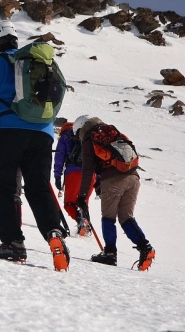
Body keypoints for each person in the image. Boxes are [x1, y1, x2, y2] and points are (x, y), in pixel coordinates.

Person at [0, 20, 70, 270]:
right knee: (38, 188)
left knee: (3, 187)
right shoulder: (42, 63)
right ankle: (54, 233)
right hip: (43, 134)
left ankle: (13, 243)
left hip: (7, 132)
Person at [73, 115, 156, 271]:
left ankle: (110, 253)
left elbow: (87, 171)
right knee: (126, 217)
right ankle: (146, 248)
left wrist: (82, 196)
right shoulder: (114, 133)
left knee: (108, 217)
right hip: (133, 178)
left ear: (81, 128)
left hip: (113, 180)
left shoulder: (89, 139)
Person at [54, 121, 97, 236]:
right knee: (83, 202)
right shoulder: (88, 137)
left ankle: (81, 222)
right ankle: (85, 226)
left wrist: (57, 175)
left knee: (69, 203)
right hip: (91, 174)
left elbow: (59, 157)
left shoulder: (65, 137)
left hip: (73, 173)